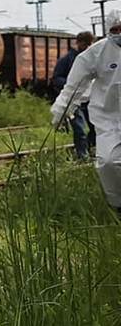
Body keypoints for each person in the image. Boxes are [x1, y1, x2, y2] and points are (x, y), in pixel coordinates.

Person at [52, 18, 121, 212]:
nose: (119, 33)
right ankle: (117, 204)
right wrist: (62, 111)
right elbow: (74, 85)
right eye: (115, 29)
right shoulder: (97, 53)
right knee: (108, 162)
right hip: (108, 119)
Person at [52, 32, 96, 161]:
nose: (87, 47)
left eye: (90, 44)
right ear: (78, 43)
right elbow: (56, 78)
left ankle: (88, 148)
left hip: (90, 100)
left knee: (95, 128)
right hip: (74, 100)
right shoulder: (67, 60)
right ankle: (83, 156)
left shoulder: (95, 59)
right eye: (85, 43)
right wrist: (72, 85)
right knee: (79, 129)